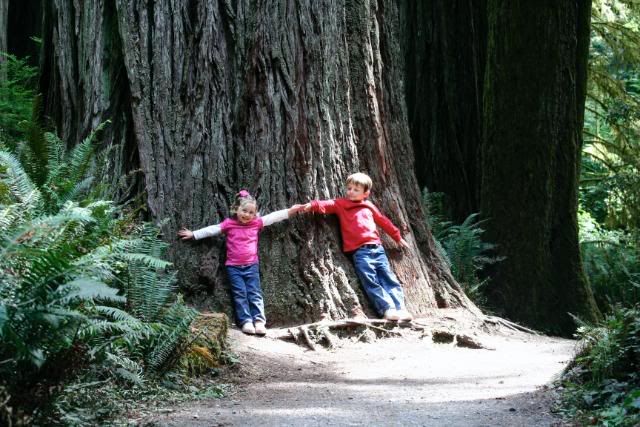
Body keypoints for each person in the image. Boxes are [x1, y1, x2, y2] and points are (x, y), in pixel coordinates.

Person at [179, 190, 303, 336]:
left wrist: (290, 211)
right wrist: (194, 234)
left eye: (251, 212)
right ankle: (246, 321)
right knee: (240, 294)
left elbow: (273, 217)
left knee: (254, 292)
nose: (247, 215)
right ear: (236, 209)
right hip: (233, 267)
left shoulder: (256, 223)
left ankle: (259, 321)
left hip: (251, 265)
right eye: (244, 211)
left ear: (255, 214)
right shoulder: (229, 224)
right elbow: (212, 230)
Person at [301, 173, 413, 321]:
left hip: (377, 248)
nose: (351, 192)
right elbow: (328, 204)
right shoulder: (342, 204)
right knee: (370, 280)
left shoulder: (368, 206)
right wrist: (313, 205)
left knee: (388, 278)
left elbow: (383, 221)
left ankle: (400, 308)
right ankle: (387, 308)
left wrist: (397, 236)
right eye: (349, 188)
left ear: (366, 193)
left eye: (356, 189)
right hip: (360, 252)